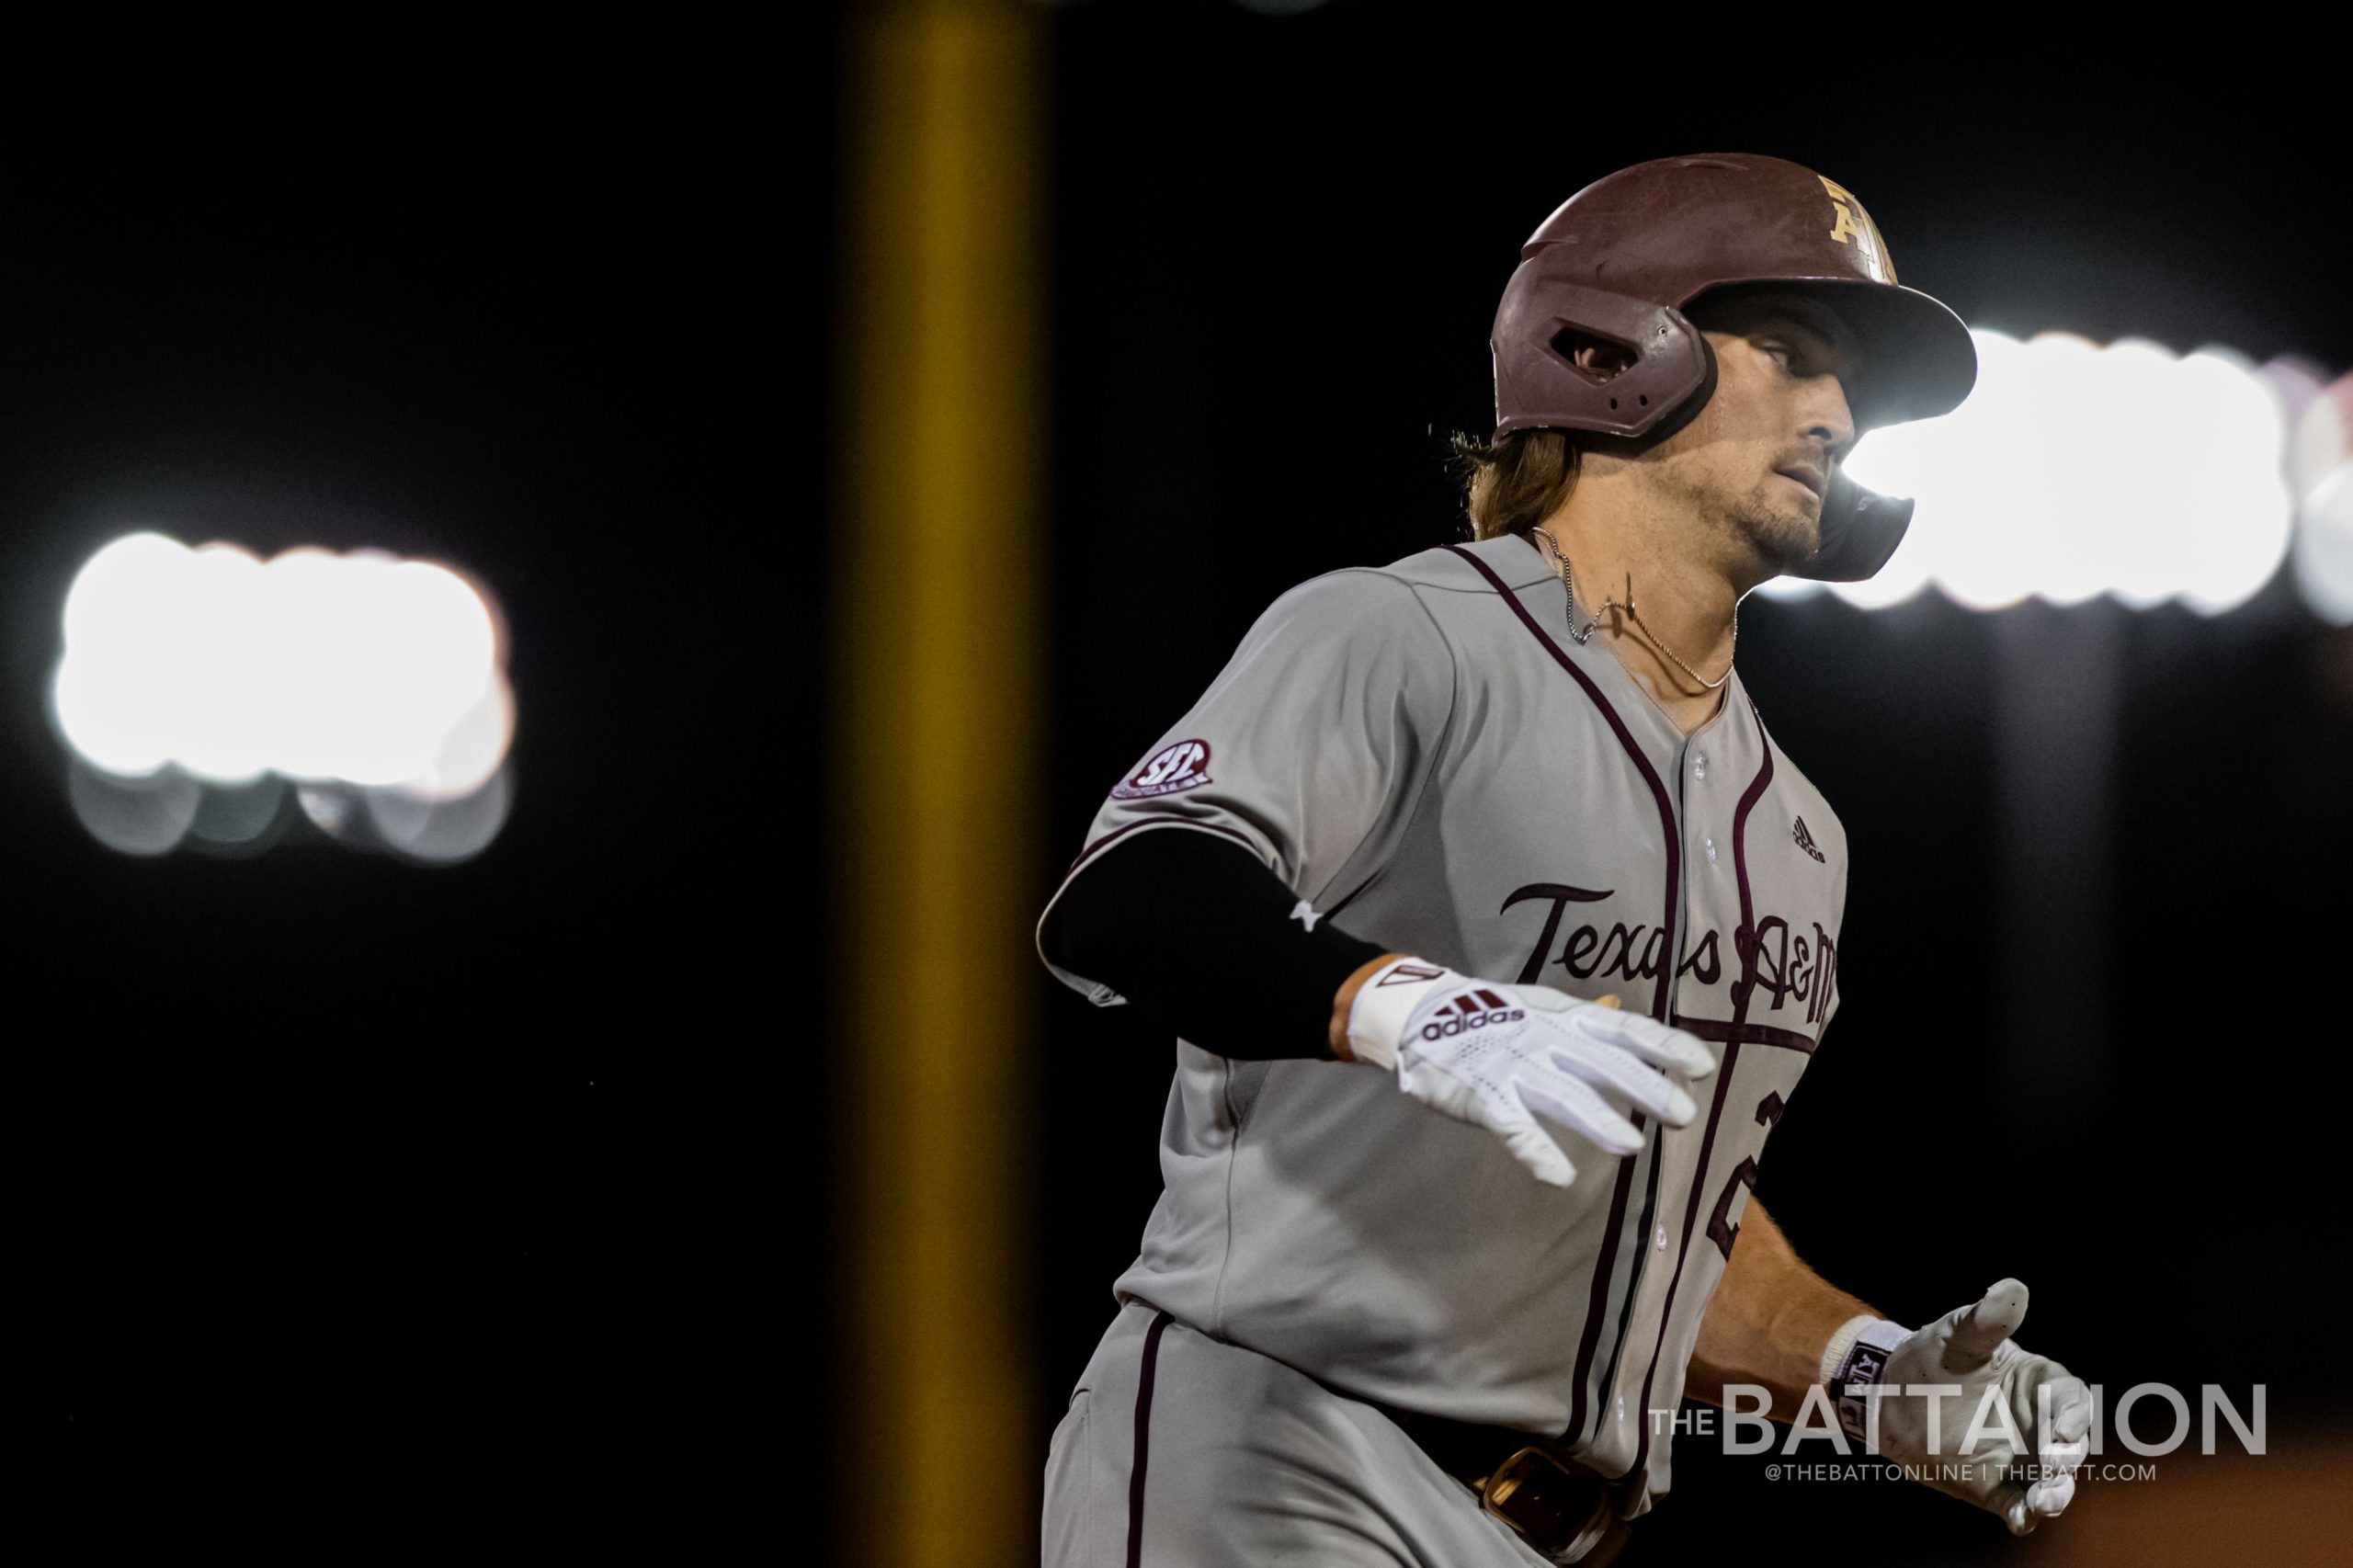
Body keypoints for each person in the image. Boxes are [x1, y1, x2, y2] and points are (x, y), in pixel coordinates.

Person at [1035, 153, 2091, 1567]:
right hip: (1273, 1448)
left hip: (1548, 1530)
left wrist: (1868, 1373)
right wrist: (1423, 1007)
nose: (1839, 414)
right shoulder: (1402, 633)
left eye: (1847, 380)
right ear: (1605, 348)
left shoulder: (1800, 830)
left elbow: (1653, 1217)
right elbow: (1132, 896)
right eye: (1788, 350)